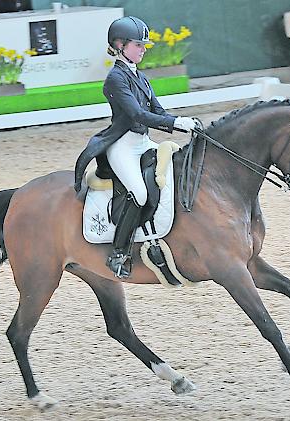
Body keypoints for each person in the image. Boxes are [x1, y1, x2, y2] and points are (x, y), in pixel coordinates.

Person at [74, 16, 197, 278]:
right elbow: (137, 115)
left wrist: (182, 124)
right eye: (138, 44)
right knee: (139, 193)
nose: (143, 49)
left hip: (142, 141)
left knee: (174, 167)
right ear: (120, 45)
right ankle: (119, 253)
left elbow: (157, 110)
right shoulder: (115, 79)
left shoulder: (139, 76)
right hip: (123, 145)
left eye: (144, 45)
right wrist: (176, 122)